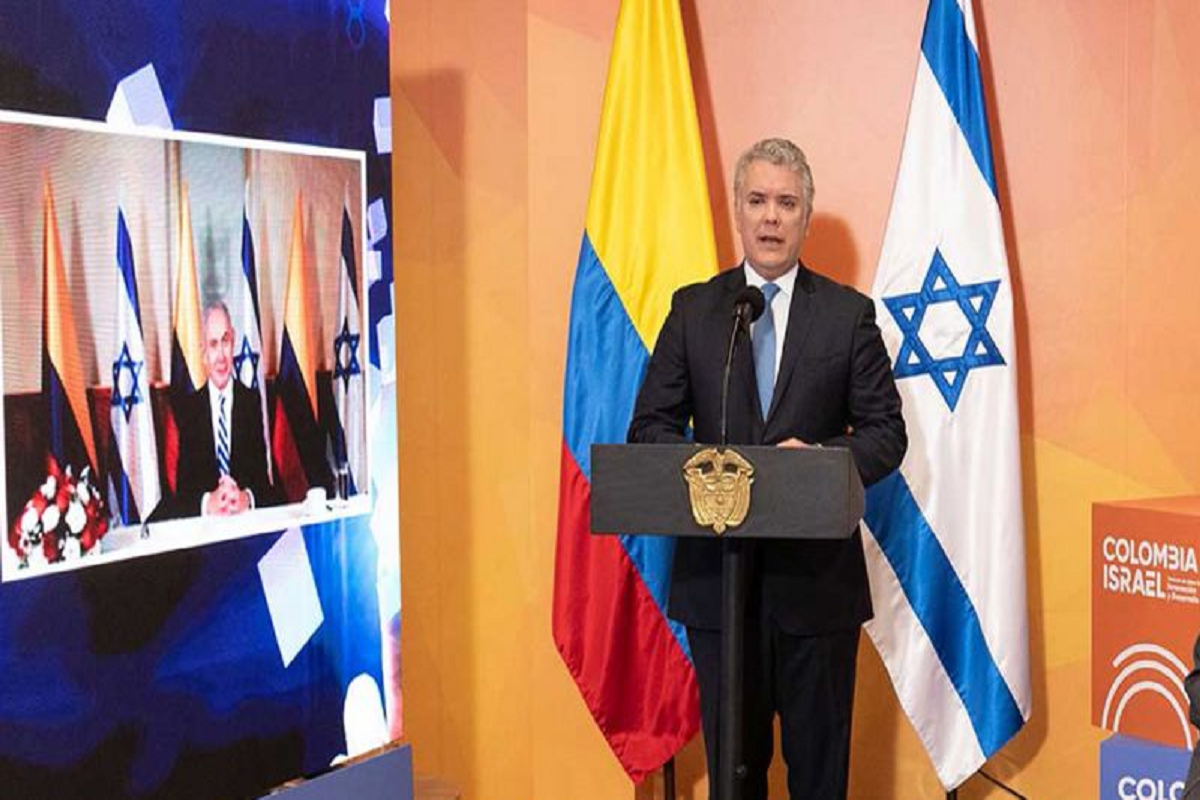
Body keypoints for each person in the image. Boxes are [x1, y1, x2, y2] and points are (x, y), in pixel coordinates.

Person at [627, 138, 907, 798]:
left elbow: (885, 434)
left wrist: (821, 463)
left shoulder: (847, 315)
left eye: (786, 203)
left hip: (818, 594)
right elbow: (650, 429)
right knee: (735, 778)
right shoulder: (694, 310)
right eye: (757, 201)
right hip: (719, 593)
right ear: (737, 210)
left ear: (805, 215)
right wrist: (710, 468)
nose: (771, 217)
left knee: (819, 783)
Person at [150, 301, 276, 522]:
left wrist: (246, 498)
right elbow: (182, 493)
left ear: (233, 342)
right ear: (203, 353)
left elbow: (262, 484)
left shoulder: (250, 402)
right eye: (213, 344)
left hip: (243, 524)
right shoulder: (188, 409)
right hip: (205, 530)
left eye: (225, 342)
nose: (221, 356)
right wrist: (208, 502)